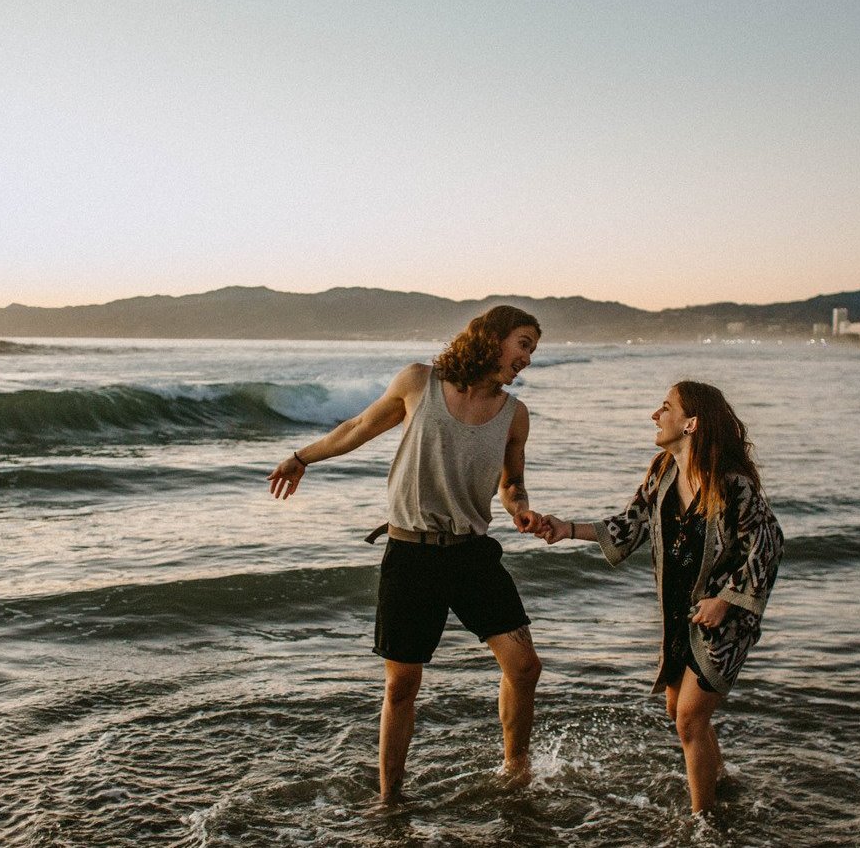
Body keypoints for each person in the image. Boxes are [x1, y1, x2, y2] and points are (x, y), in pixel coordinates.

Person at [267, 305, 546, 802]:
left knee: (524, 666)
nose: (527, 357)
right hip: (411, 552)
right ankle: (389, 796)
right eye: (523, 343)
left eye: (532, 349)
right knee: (401, 686)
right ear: (493, 338)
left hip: (471, 554)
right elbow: (356, 428)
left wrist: (521, 509)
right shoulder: (420, 382)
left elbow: (513, 482)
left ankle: (515, 769)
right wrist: (300, 456)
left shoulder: (514, 414)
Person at [537, 380, 783, 815]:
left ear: (691, 423)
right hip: (679, 616)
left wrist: (726, 600)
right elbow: (629, 525)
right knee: (680, 713)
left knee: (689, 718)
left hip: (726, 621)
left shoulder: (733, 485)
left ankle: (702, 822)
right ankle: (720, 780)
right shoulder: (661, 472)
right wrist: (566, 528)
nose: (655, 414)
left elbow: (769, 545)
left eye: (665, 407)